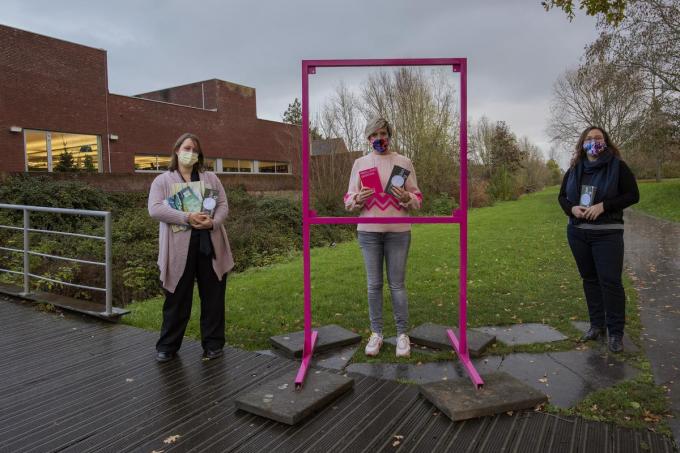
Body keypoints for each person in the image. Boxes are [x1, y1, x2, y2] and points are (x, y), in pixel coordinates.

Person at [148, 132, 234, 362]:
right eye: (186, 148)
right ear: (177, 150)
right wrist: (187, 217)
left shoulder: (211, 179)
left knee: (213, 297)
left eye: (195, 150)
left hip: (210, 245)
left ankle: (213, 344)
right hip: (179, 250)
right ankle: (167, 345)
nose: (191, 153)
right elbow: (155, 209)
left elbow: (223, 205)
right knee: (177, 299)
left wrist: (213, 222)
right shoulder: (163, 181)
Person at [345, 117, 422, 358]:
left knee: (397, 285)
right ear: (368, 139)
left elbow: (418, 198)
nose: (379, 139)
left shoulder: (404, 162)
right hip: (368, 233)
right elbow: (348, 199)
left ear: (389, 135)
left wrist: (407, 198)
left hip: (398, 232)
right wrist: (358, 198)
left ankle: (401, 334)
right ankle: (376, 332)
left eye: (383, 133)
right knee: (373, 285)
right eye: (374, 135)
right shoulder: (360, 163)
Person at [558, 126, 639, 353]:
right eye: (590, 138)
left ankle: (615, 333)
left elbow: (633, 195)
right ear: (583, 143)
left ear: (606, 142)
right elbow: (562, 197)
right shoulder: (574, 169)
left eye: (598, 138)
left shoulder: (618, 166)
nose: (594, 142)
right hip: (578, 233)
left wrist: (604, 205)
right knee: (589, 279)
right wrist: (571, 208)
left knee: (610, 282)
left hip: (607, 233)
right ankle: (597, 326)